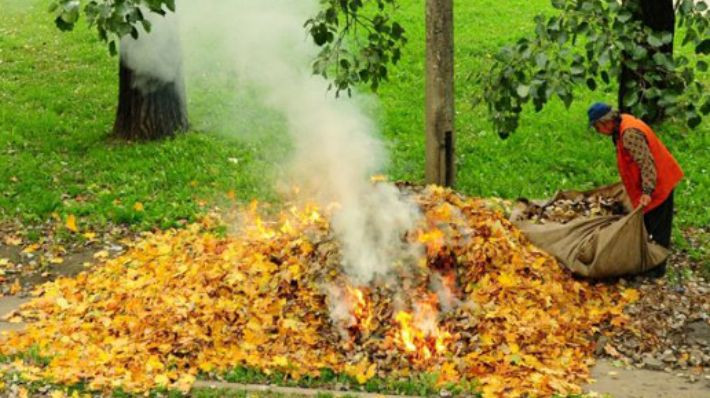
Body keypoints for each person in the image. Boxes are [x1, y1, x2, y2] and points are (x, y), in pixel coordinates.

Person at [587, 102, 684, 277]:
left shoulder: (629, 134)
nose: (597, 132)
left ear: (606, 123)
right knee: (649, 223)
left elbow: (647, 165)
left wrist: (647, 192)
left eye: (596, 127)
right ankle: (647, 258)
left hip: (658, 183)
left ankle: (656, 268)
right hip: (654, 181)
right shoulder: (622, 123)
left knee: (658, 227)